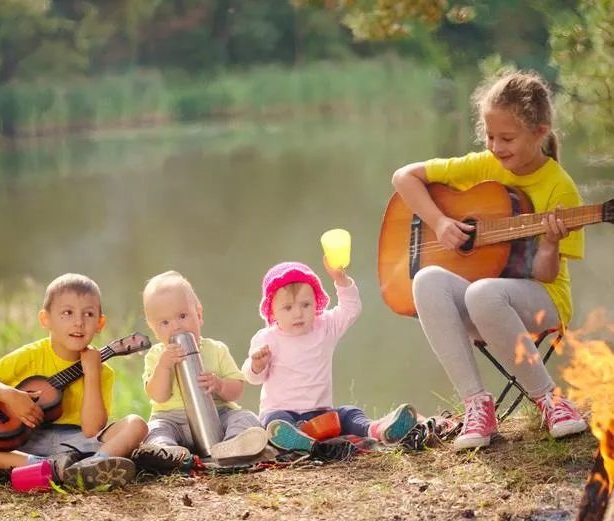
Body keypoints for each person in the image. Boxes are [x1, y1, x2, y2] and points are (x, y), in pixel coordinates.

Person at [391, 70, 588, 450]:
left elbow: (546, 274)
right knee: (427, 280)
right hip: (485, 301)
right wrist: (440, 222)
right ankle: (477, 406)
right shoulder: (485, 166)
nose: (496, 146)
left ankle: (550, 400)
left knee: (483, 293)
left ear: (540, 132)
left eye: (507, 138)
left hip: (542, 302)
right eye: (490, 136)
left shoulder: (559, 187)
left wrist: (548, 244)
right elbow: (404, 177)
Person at [0, 273, 148, 489]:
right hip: (26, 441)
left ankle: (92, 465)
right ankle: (45, 467)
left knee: (136, 424)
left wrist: (91, 373)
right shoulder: (33, 354)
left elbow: (92, 429)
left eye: (88, 314)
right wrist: (10, 395)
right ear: (46, 319)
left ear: (100, 323)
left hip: (77, 442)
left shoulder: (102, 371)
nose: (79, 322)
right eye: (67, 313)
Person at [242, 260, 418, 452]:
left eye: (305, 304)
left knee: (349, 413)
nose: (298, 313)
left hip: (321, 415)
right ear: (272, 311)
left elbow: (350, 309)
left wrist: (341, 280)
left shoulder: (325, 327)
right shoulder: (267, 338)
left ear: (316, 302)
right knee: (274, 422)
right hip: (283, 413)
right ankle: (294, 440)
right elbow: (252, 378)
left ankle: (378, 429)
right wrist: (257, 364)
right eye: (288, 308)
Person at [132, 270, 269, 472]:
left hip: (217, 415)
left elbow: (237, 389)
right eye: (165, 323)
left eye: (182, 316)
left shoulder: (216, 349)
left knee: (245, 418)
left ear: (199, 314)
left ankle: (232, 447)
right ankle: (170, 453)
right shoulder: (156, 356)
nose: (177, 326)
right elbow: (158, 396)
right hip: (172, 419)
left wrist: (220, 385)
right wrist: (164, 366)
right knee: (155, 430)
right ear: (154, 329)